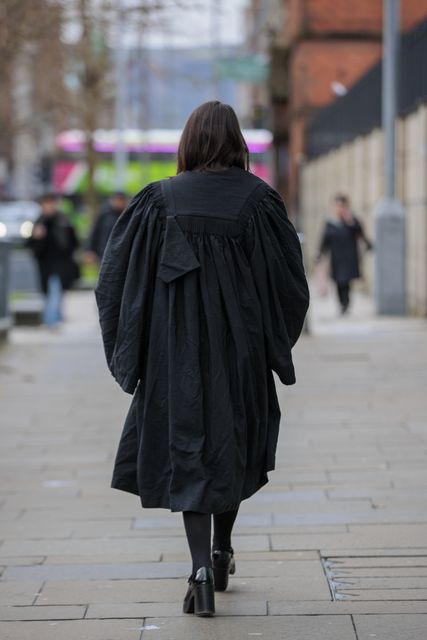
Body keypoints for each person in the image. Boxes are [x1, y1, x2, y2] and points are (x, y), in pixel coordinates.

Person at [95, 101, 309, 617]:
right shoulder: (260, 201)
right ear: (236, 143)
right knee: (230, 445)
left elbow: (116, 284)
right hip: (240, 353)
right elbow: (289, 287)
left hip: (175, 354)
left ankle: (201, 570)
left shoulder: (155, 201)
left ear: (188, 142)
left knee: (188, 450)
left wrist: (132, 352)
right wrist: (273, 346)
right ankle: (223, 546)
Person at [27, 193, 79, 327]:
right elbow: (29, 244)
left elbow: (73, 242)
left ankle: (52, 320)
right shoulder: (38, 222)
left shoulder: (63, 220)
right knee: (48, 292)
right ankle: (52, 318)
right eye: (46, 203)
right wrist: (36, 237)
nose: (49, 206)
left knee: (56, 289)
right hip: (44, 263)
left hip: (61, 263)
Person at [316, 193, 373, 314]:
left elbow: (360, 233)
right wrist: (320, 253)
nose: (339, 208)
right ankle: (342, 303)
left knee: (346, 281)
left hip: (349, 257)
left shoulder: (352, 221)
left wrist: (368, 244)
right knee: (338, 281)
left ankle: (346, 302)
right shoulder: (330, 222)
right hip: (336, 257)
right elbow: (325, 240)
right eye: (337, 206)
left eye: (342, 206)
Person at [84, 191, 128, 263]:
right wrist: (89, 249)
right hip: (104, 252)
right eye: (118, 200)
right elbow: (95, 232)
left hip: (123, 253)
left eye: (122, 200)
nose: (119, 202)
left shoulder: (128, 215)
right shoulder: (104, 214)